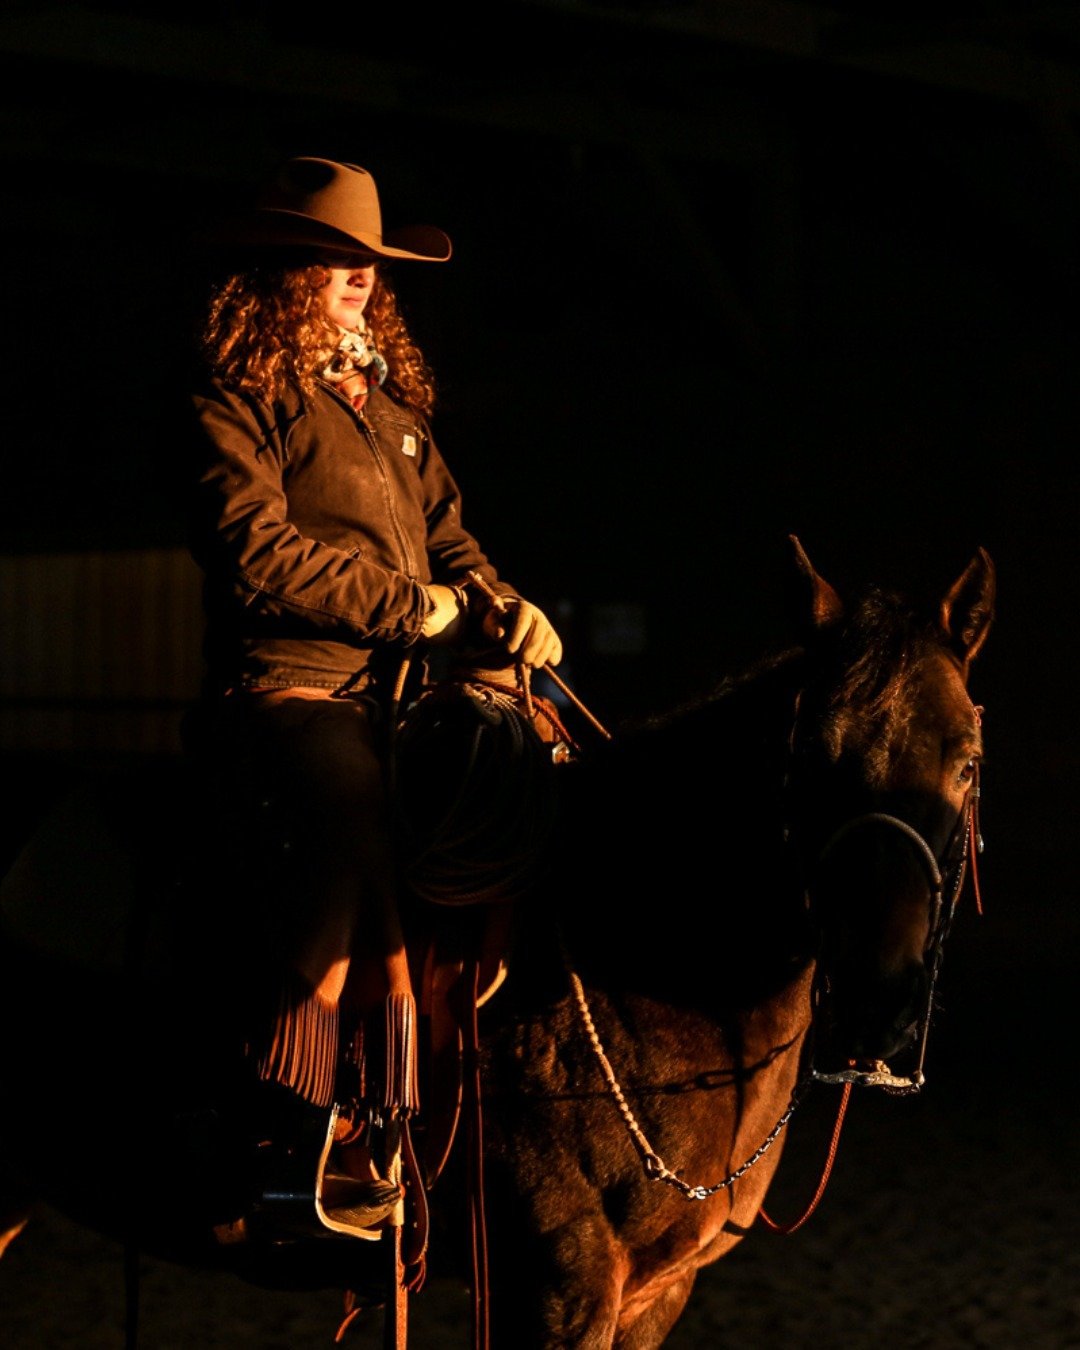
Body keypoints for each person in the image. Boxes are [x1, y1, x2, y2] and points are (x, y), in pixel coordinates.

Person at [183, 155, 563, 1241]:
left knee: (550, 783)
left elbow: (450, 540)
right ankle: (294, 1131)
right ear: (280, 273)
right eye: (335, 258)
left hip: (402, 690)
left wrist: (500, 603)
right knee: (353, 825)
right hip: (288, 689)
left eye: (368, 262)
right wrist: (416, 610)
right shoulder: (231, 394)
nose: (360, 277)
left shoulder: (386, 407)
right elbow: (255, 551)